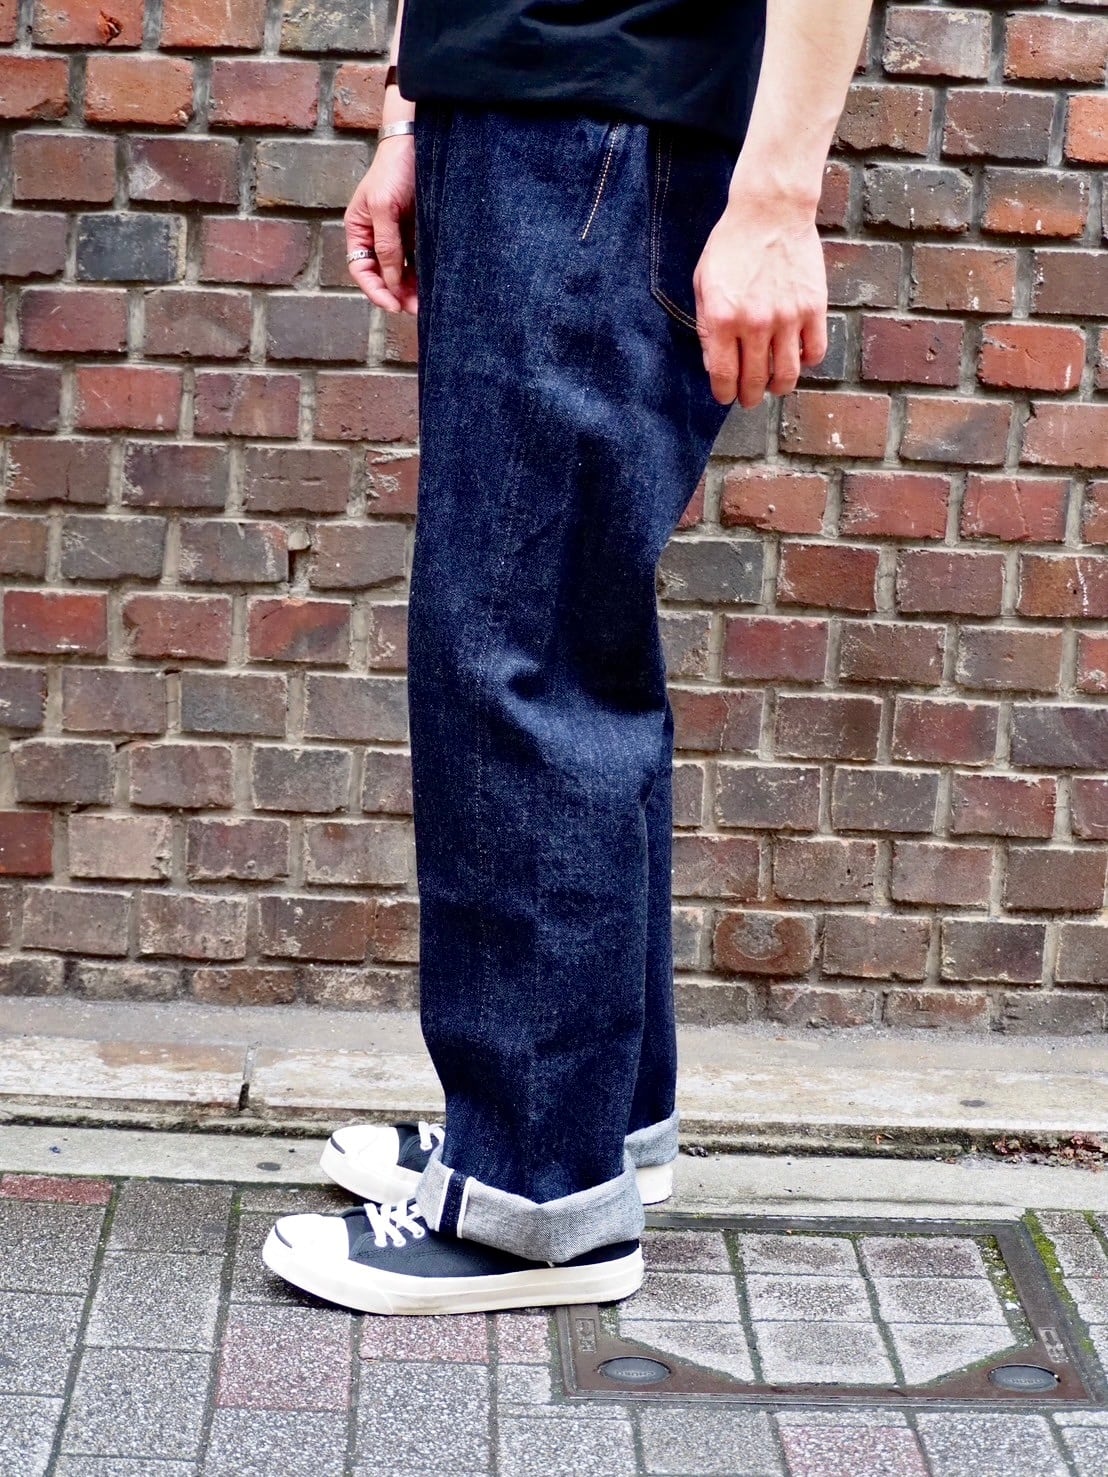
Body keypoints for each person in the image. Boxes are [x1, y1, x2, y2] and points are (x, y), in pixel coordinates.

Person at [263, 0, 874, 1317]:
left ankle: (534, 1197)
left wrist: (778, 198)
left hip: (597, 130)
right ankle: (596, 1127)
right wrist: (412, 109)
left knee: (517, 655)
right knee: (562, 632)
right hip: (520, 118)